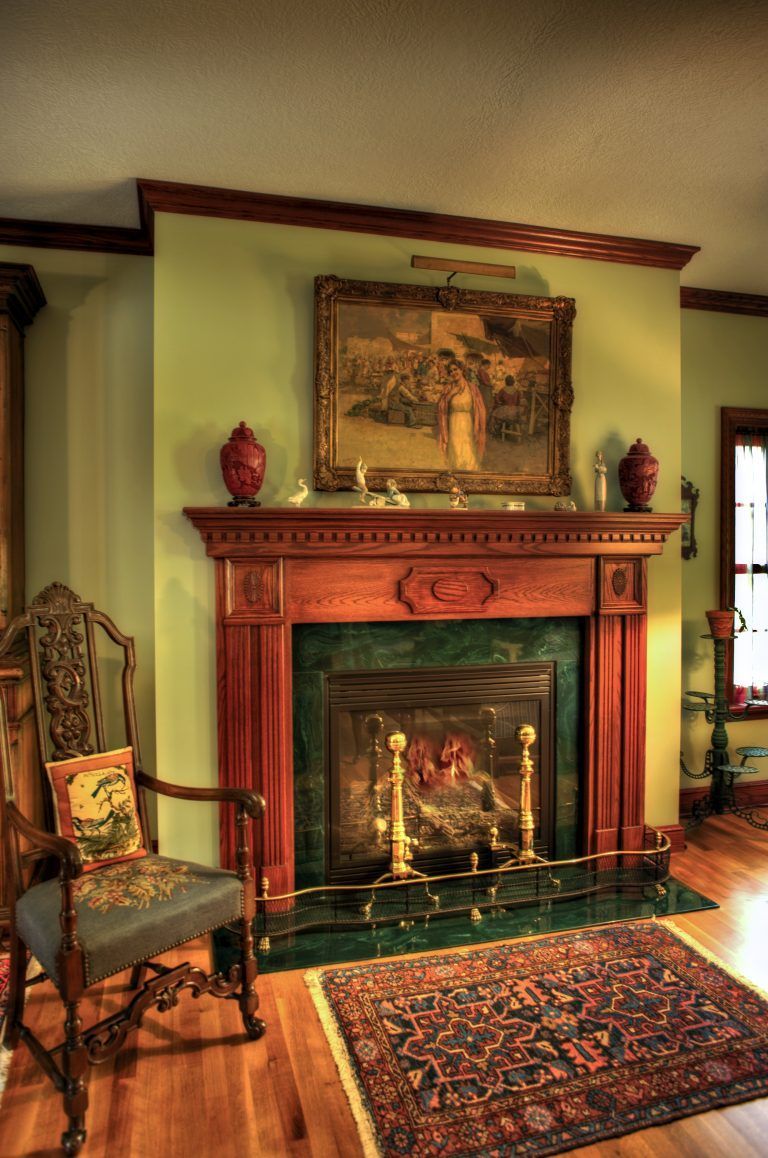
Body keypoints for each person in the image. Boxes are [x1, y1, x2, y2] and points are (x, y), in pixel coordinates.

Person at [437, 360, 487, 471]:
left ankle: (469, 472)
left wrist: (479, 425)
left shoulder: (472, 388)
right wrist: (451, 394)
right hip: (454, 422)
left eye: (455, 369)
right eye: (450, 371)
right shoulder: (448, 388)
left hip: (468, 422)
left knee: (468, 448)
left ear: (461, 370)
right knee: (456, 448)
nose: (453, 373)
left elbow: (480, 407)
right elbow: (441, 407)